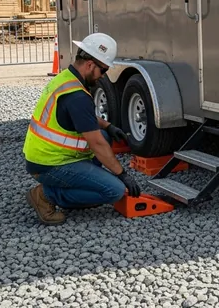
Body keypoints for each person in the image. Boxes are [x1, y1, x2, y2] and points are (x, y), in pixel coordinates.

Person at [22, 33, 141, 225]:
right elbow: (96, 143)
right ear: (91, 65)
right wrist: (122, 175)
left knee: (103, 133)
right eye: (103, 70)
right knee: (115, 190)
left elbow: (79, 118)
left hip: (44, 155)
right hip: (49, 164)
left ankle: (79, 185)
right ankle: (46, 195)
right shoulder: (77, 96)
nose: (103, 76)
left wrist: (108, 126)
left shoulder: (66, 79)